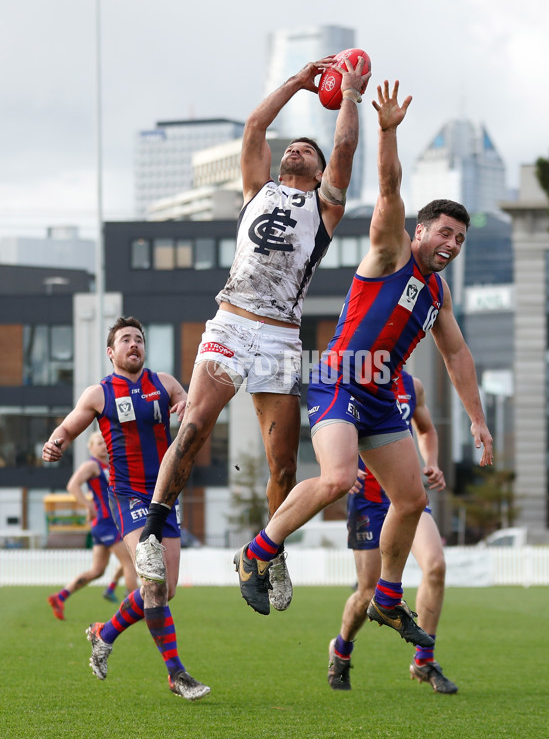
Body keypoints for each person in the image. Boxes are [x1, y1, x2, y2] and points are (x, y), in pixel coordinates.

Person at [234, 80, 493, 634]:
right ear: (420, 231)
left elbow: (459, 356)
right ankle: (256, 552)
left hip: (378, 393)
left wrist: (477, 419)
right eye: (444, 232)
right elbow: (389, 185)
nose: (451, 243)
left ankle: (387, 596)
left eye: (460, 239)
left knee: (409, 496)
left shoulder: (438, 293)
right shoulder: (392, 247)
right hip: (338, 378)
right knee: (336, 478)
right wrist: (389, 131)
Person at [135, 55, 371, 614]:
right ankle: (152, 533)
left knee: (284, 465)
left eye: (306, 152)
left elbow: (343, 152)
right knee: (193, 425)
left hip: (282, 339)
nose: (296, 150)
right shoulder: (256, 190)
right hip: (232, 320)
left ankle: (270, 550)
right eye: (294, 148)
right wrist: (297, 82)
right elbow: (255, 129)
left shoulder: (323, 207)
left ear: (318, 174)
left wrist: (351, 97)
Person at [41, 316, 209, 701]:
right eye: (125, 340)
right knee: (151, 583)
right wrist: (55, 443)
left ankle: (105, 633)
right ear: (111, 352)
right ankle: (176, 674)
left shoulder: (163, 383)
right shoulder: (98, 394)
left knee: (164, 591)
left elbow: (187, 401)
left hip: (166, 494)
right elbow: (67, 429)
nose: (134, 345)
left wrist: (184, 403)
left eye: (138, 339)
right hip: (129, 498)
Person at [327, 371, 457, 694]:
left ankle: (424, 661)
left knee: (436, 567)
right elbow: (327, 423)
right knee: (368, 591)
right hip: (369, 500)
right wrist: (336, 465)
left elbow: (425, 429)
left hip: (405, 496)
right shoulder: (353, 378)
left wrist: (432, 462)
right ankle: (341, 649)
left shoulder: (414, 386)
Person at [47, 431, 137, 620]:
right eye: (98, 443)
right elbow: (72, 485)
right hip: (106, 523)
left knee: (97, 571)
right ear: (90, 447)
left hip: (106, 523)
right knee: (130, 563)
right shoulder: (91, 465)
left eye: (105, 443)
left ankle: (60, 596)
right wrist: (88, 505)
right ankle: (138, 610)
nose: (103, 446)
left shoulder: (107, 466)